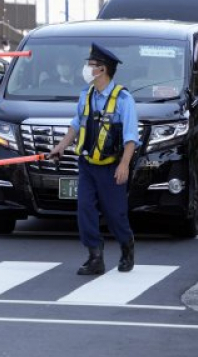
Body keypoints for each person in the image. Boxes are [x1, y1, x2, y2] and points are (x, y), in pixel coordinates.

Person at [48, 43, 139, 274]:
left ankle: (127, 246)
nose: (86, 69)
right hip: (87, 164)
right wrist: (60, 147)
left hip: (111, 167)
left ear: (103, 69)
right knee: (85, 210)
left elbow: (131, 137)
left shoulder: (123, 99)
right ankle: (95, 257)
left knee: (115, 213)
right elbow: (76, 124)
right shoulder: (86, 95)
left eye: (91, 65)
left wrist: (124, 165)